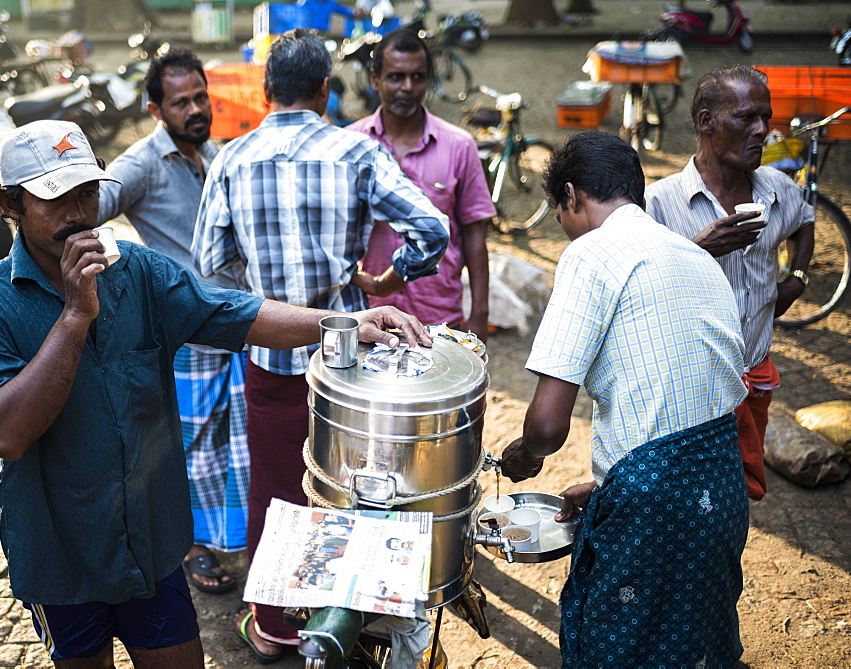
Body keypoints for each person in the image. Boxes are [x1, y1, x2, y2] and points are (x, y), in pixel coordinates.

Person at [0, 119, 432, 668]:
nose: (77, 213)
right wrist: (77, 315)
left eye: (86, 193)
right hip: (63, 555)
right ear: (11, 204)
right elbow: (6, 435)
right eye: (55, 198)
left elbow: (236, 312)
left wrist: (346, 322)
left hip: (152, 547)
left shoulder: (139, 272)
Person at [192, 29, 449, 662]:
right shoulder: (356, 153)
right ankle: (354, 625)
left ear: (265, 90)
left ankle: (277, 626)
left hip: (269, 355)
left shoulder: (230, 157)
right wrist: (392, 276)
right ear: (326, 90)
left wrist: (255, 297)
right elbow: (433, 229)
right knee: (356, 487)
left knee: (274, 490)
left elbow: (207, 268)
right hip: (348, 362)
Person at [499, 131, 750, 666]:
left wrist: (523, 457)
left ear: (571, 196)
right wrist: (609, 480)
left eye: (559, 212)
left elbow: (547, 426)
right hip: (721, 490)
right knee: (694, 645)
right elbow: (686, 404)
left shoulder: (590, 253)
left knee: (622, 646)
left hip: (655, 504)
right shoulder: (695, 255)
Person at [97, 47, 246, 595]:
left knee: (234, 443)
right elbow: (92, 207)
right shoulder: (141, 163)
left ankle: (231, 534)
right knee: (190, 447)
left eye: (200, 96)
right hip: (187, 338)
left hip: (235, 330)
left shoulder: (217, 151)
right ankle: (191, 545)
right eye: (180, 101)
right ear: (156, 109)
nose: (195, 108)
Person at [646, 65, 815, 502]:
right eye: (746, 118)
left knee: (736, 490)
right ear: (707, 122)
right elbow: (641, 289)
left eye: (766, 117)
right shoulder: (660, 202)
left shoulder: (776, 189)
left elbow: (805, 221)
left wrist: (795, 277)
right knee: (688, 494)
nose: (763, 130)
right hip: (691, 386)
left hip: (754, 373)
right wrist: (701, 247)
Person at [349, 29, 495, 341]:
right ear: (375, 79)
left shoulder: (459, 146)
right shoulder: (350, 145)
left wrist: (479, 314)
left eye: (417, 77)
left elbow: (473, 234)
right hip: (367, 315)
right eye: (396, 77)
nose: (407, 87)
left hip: (439, 316)